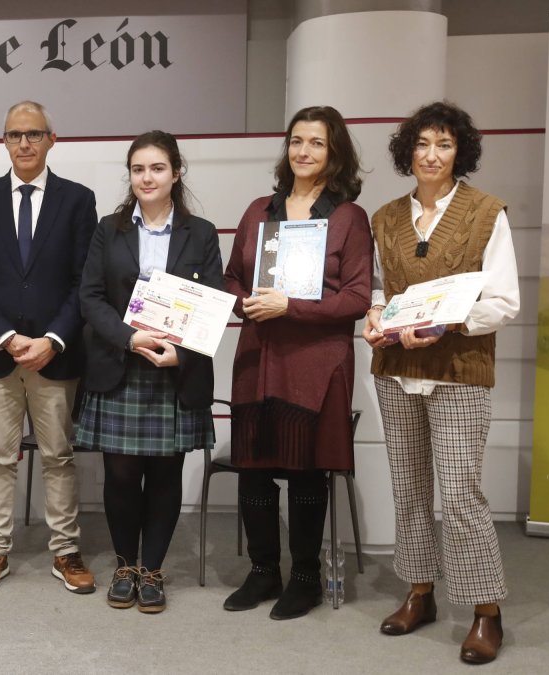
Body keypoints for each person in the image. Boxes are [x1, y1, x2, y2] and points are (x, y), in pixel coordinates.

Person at [364, 101, 519, 665]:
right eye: (422, 144)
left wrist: (449, 321)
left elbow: (503, 301)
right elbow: (380, 289)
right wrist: (377, 317)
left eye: (444, 145)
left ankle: (484, 611)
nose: (432, 155)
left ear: (461, 152)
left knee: (459, 498)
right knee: (408, 492)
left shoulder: (486, 212)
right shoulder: (383, 217)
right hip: (397, 370)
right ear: (408, 150)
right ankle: (420, 593)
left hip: (459, 371)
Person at [222, 106, 372, 620]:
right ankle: (264, 571)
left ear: (335, 154)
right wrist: (245, 301)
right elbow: (231, 278)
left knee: (306, 473)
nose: (303, 151)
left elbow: (356, 300)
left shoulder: (349, 217)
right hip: (257, 355)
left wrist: (291, 306)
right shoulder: (258, 211)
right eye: (296, 141)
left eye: (317, 143)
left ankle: (305, 577)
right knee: (254, 471)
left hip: (316, 363)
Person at [76, 131, 223, 613]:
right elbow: (90, 297)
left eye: (157, 168)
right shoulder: (109, 228)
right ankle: (124, 566)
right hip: (123, 364)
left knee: (165, 474)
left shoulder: (200, 233)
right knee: (120, 476)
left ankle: (153, 571)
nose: (147, 177)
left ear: (175, 172)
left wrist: (183, 353)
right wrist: (128, 336)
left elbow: (212, 307)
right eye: (138, 169)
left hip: (175, 371)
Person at [0, 100, 99, 594]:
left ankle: (66, 550)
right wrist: (8, 337)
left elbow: (85, 280)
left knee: (58, 455)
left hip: (55, 354)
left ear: (51, 140)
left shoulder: (78, 200)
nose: (24, 143)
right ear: (4, 141)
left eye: (34, 134)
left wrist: (52, 340)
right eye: (15, 135)